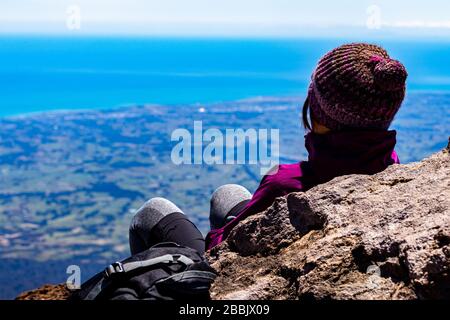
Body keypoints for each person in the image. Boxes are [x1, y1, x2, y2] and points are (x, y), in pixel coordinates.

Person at [131, 42, 408, 255]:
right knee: (228, 194)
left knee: (153, 211)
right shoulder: (388, 163)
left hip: (222, 269)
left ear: (318, 110)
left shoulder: (286, 185)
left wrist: (210, 242)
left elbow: (228, 245)